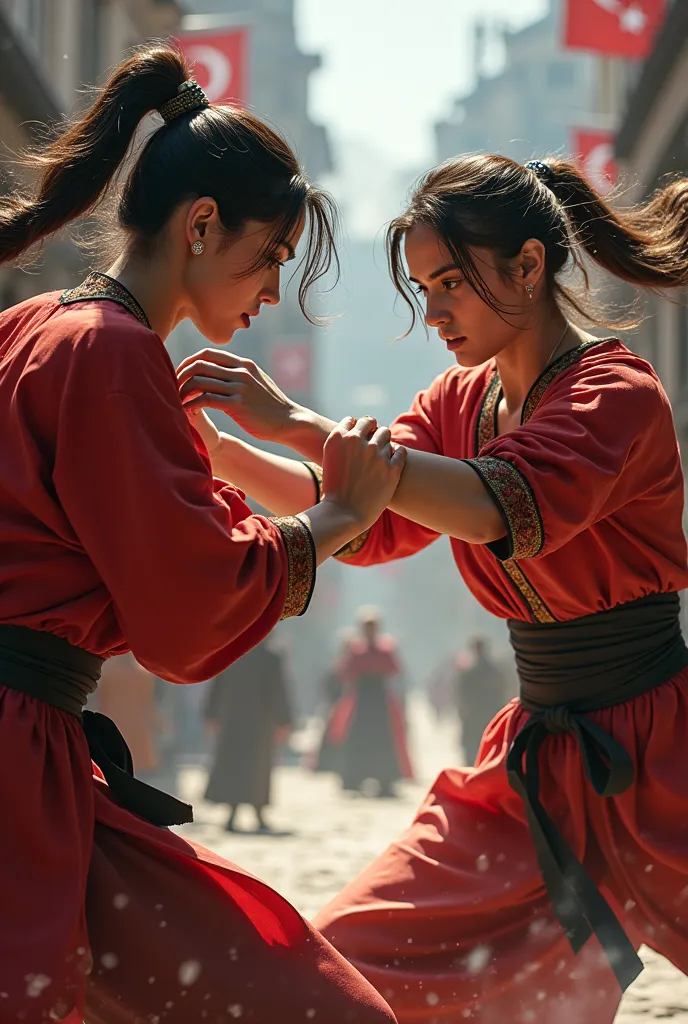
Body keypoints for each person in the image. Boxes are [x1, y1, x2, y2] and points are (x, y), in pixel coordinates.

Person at [177, 152, 688, 1022]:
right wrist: (222, 451)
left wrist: (291, 418)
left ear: (529, 266)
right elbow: (365, 513)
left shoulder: (617, 392)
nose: (434, 312)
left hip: (664, 748)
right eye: (423, 289)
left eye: (450, 282)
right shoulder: (461, 402)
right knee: (346, 963)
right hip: (534, 764)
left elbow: (498, 505)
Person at [0, 44, 405, 1024]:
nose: (272, 292)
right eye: (270, 256)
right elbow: (190, 607)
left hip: (48, 760)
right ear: (201, 224)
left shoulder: (40, 325)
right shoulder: (113, 350)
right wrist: (337, 516)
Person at [204, 638, 293, 832]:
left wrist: (210, 713)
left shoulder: (236, 653)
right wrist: (284, 719)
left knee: (249, 765)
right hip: (253, 721)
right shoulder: (265, 656)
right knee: (251, 766)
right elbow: (218, 684)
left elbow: (278, 689)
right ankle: (239, 812)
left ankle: (252, 812)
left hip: (247, 720)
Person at [325, 607, 413, 796]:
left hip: (379, 701)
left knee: (383, 739)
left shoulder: (387, 648)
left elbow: (396, 671)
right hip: (362, 701)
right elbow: (345, 673)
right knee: (358, 738)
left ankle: (385, 780)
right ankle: (354, 778)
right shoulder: (355, 649)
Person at [454, 634, 509, 765]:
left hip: (481, 714)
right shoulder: (494, 671)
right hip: (486, 713)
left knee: (476, 746)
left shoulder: (471, 672)